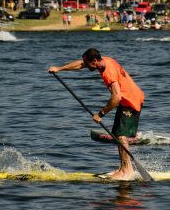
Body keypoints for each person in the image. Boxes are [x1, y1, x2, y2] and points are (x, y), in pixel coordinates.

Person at [47, 48, 145, 180]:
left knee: (121, 136)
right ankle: (124, 167)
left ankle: (127, 170)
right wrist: (60, 69)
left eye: (88, 64)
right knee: (118, 135)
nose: (86, 67)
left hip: (131, 102)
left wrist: (101, 114)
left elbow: (116, 98)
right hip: (127, 100)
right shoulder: (104, 60)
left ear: (94, 61)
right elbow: (80, 64)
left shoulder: (108, 73)